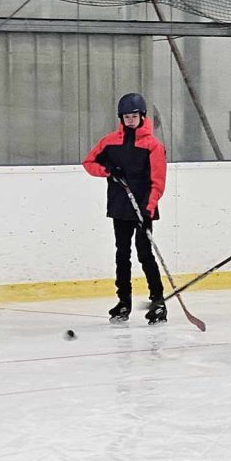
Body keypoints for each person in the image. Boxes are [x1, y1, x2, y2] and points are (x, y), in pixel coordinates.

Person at [82, 93, 168, 324]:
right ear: (121, 118)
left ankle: (158, 301)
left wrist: (149, 208)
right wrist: (108, 170)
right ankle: (124, 302)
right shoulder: (110, 142)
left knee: (145, 254)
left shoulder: (153, 146)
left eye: (134, 116)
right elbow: (89, 163)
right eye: (126, 117)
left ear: (142, 117)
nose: (130, 120)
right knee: (122, 254)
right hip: (120, 207)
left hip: (143, 208)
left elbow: (158, 181)